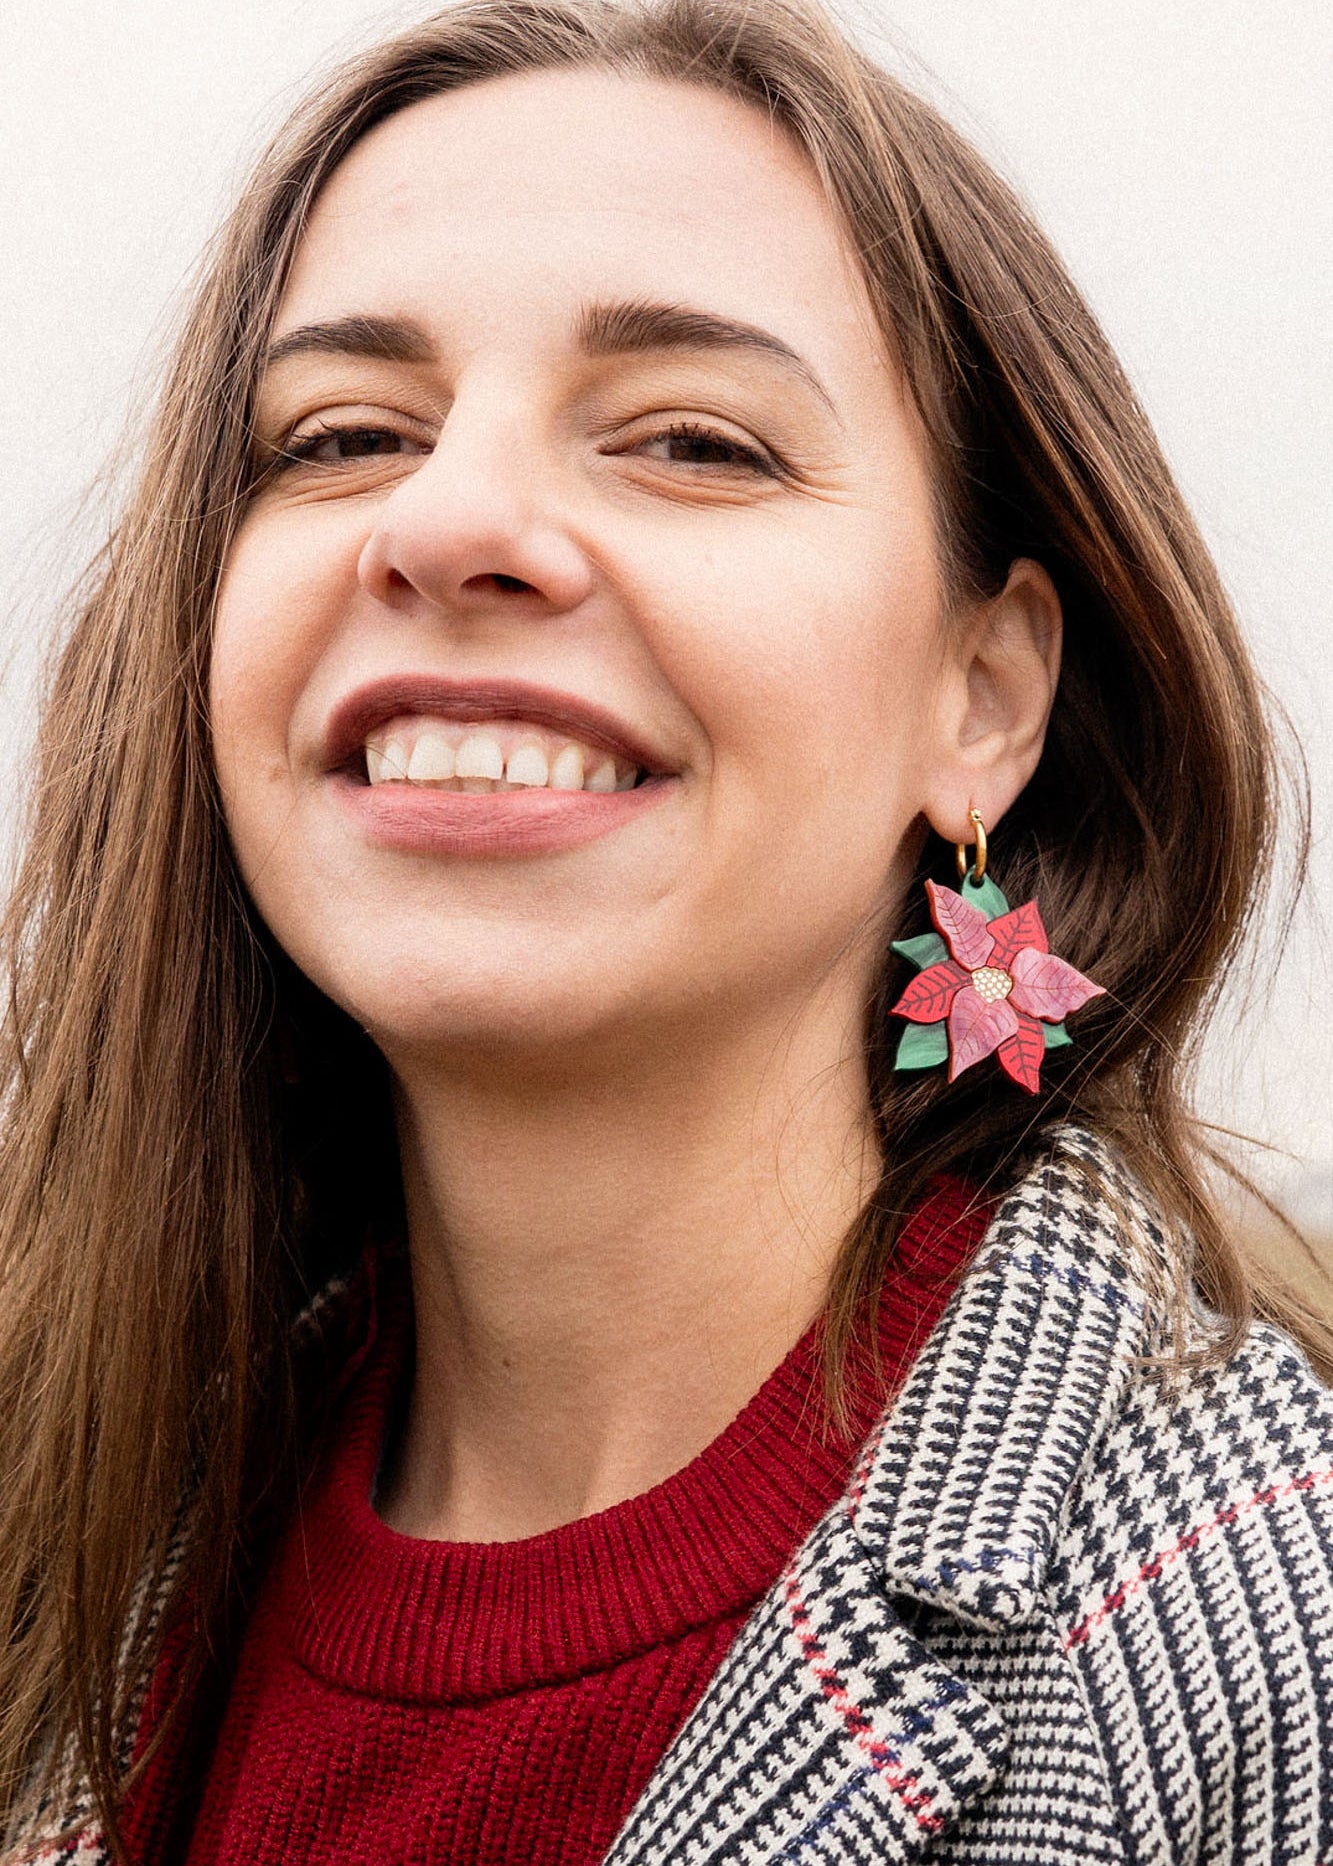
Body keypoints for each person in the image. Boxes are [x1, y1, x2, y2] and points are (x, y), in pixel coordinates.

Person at [2, 0, 1331, 1860]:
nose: (450, 516)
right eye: (343, 433)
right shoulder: (82, 1533)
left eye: (695, 441)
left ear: (985, 696)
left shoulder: (1249, 1600)